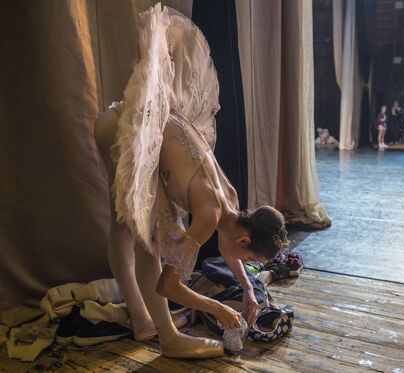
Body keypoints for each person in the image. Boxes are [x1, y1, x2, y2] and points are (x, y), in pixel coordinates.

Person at [94, 4, 288, 359]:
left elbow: (232, 250)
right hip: (122, 131)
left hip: (125, 121)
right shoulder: (211, 214)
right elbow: (167, 284)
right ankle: (162, 333)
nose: (243, 263)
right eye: (250, 259)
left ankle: (143, 318)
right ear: (244, 238)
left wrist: (246, 287)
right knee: (144, 238)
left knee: (128, 228)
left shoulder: (230, 198)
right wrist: (219, 309)